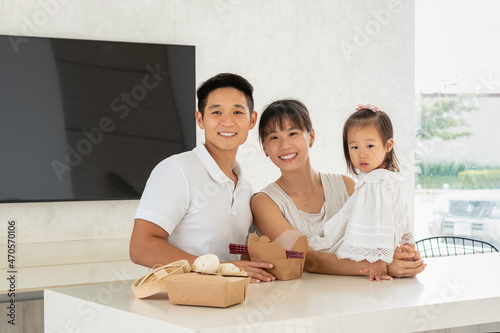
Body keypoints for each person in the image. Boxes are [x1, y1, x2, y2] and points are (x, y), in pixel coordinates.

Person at [251, 100, 425, 278]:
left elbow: (380, 230)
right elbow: (305, 258)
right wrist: (382, 266)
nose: (284, 145)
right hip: (306, 299)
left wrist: (405, 257)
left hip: (361, 296)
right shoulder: (264, 203)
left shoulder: (347, 185)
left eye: (293, 133)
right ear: (264, 147)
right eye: (274, 137)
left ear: (311, 136)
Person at [129, 73, 275, 283]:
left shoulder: (246, 189)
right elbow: (140, 248)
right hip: (184, 307)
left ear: (252, 120)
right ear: (200, 119)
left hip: (233, 303)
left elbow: (239, 254)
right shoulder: (176, 170)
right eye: (216, 112)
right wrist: (217, 269)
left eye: (237, 112)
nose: (227, 121)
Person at [306, 105, 415, 281]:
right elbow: (402, 217)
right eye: (354, 147)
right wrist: (410, 247)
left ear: (388, 145)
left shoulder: (374, 181)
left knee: (313, 248)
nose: (361, 154)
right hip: (374, 248)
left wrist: (378, 263)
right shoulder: (389, 179)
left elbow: (377, 220)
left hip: (361, 248)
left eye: (369, 146)